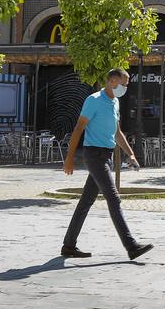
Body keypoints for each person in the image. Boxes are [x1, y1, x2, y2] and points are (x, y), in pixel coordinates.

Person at [61, 68, 154, 260]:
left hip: (106, 156)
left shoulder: (115, 102)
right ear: (112, 81)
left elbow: (117, 132)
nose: (125, 88)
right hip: (94, 155)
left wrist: (131, 154)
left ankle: (68, 245)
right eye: (124, 84)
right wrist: (69, 159)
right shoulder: (93, 100)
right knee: (114, 198)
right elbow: (78, 128)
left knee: (85, 202)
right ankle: (131, 246)